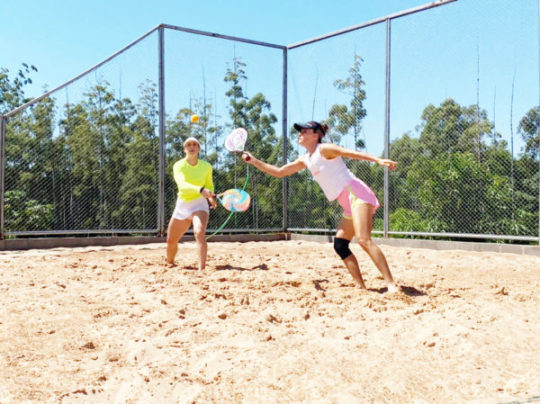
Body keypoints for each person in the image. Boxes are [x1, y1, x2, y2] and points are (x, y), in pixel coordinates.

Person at [242, 121, 400, 292]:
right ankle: (361, 287)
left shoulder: (324, 149)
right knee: (340, 244)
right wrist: (254, 161)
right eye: (299, 131)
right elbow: (280, 172)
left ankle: (391, 284)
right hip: (347, 202)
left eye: (304, 131)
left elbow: (351, 153)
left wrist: (377, 160)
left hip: (357, 194)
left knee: (363, 240)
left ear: (316, 134)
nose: (299, 134)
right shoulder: (306, 159)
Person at [166, 136, 217, 269]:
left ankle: (202, 269)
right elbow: (182, 185)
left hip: (199, 204)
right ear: (184, 149)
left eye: (195, 144)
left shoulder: (206, 166)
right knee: (171, 241)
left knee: (199, 232)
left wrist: (210, 196)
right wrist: (200, 190)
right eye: (189, 145)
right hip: (183, 204)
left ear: (199, 149)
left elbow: (210, 185)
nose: (192, 147)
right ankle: (170, 262)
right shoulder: (179, 165)